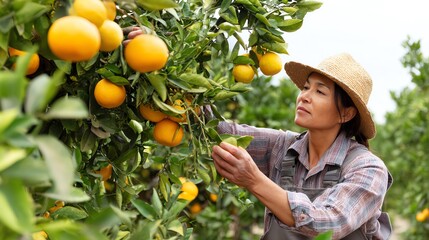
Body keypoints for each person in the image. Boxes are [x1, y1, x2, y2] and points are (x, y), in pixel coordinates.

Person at [210, 53, 393, 239]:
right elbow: (217, 131)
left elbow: (328, 225)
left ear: (346, 114)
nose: (304, 96)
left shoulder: (369, 169)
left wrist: (255, 181)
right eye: (306, 87)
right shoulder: (281, 147)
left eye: (319, 92)